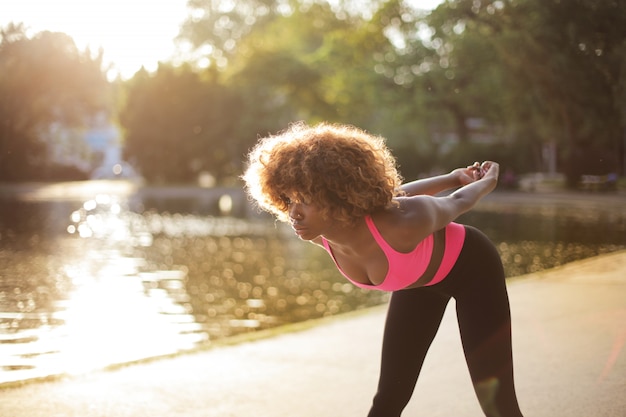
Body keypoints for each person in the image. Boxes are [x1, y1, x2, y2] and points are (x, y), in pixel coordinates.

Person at [242, 121, 524, 417]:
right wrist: (452, 176)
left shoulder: (404, 224)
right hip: (417, 283)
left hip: (472, 271)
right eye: (288, 200)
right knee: (388, 400)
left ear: (336, 195)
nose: (293, 213)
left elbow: (458, 201)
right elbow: (395, 194)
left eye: (306, 200)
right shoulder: (322, 236)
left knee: (497, 404)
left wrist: (486, 182)